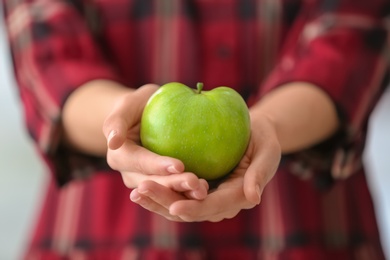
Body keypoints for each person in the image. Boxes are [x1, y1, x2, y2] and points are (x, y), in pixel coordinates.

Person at [2, 0, 389, 259]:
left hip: (306, 234)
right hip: (104, 236)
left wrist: (270, 125)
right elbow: (48, 54)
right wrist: (118, 124)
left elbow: (349, 41)